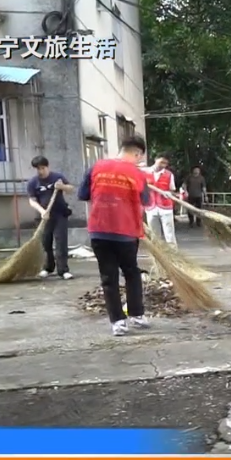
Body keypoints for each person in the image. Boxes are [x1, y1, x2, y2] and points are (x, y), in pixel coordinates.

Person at [77, 135, 152, 337]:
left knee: (108, 277)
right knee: (131, 273)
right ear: (137, 153)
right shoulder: (137, 174)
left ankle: (118, 322)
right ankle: (137, 314)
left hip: (99, 231)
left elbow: (83, 195)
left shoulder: (96, 167)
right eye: (139, 157)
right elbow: (147, 201)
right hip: (126, 233)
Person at [26, 155, 75, 280]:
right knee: (46, 243)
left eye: (43, 168)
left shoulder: (57, 177)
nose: (41, 171)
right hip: (44, 217)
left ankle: (63, 270)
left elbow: (71, 189)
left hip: (60, 214)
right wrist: (42, 211)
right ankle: (48, 268)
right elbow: (32, 200)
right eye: (38, 169)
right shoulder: (33, 183)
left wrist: (62, 187)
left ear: (47, 167)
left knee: (61, 242)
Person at [144, 153, 177, 246]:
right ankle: (157, 259)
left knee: (169, 235)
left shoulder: (169, 174)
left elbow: (172, 189)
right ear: (156, 160)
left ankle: (173, 258)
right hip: (150, 207)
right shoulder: (144, 172)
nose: (163, 165)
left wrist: (169, 193)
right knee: (155, 236)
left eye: (165, 164)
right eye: (161, 162)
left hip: (165, 207)